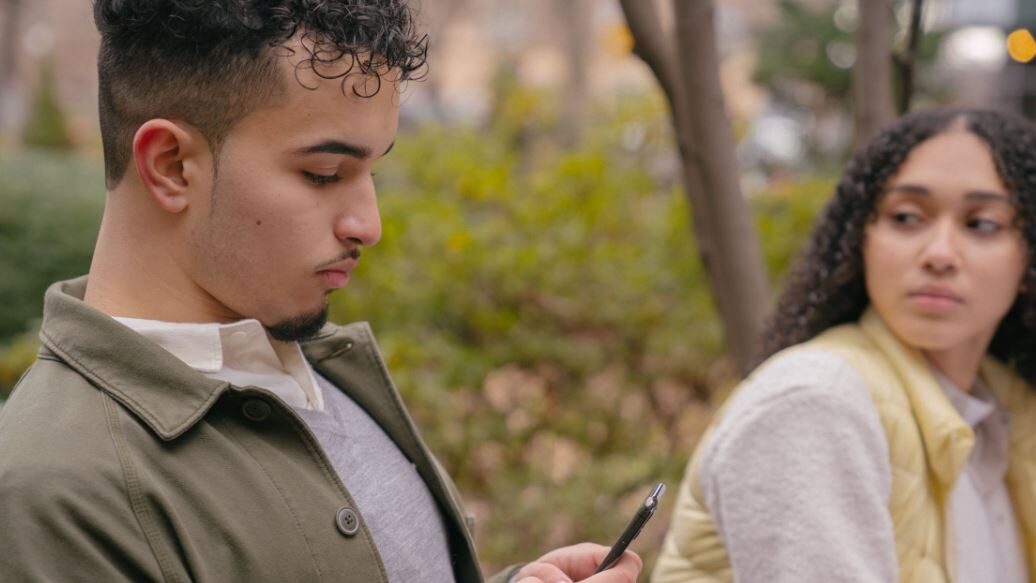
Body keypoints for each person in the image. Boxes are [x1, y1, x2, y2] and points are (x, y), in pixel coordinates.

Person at [0, 2, 641, 582]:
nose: (370, 224)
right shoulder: (54, 493)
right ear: (170, 165)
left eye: (370, 170)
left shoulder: (322, 369)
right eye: (324, 174)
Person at [652, 108, 1036, 583]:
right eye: (907, 217)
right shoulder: (816, 403)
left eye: (981, 224)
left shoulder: (1009, 414)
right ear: (862, 239)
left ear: (1028, 257)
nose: (939, 254)